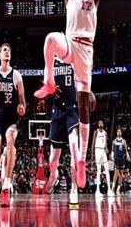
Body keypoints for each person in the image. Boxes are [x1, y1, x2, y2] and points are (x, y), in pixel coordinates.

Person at [34, 0, 118, 189]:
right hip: (69, 43)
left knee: (82, 105)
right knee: (50, 38)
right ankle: (49, 82)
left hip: (85, 50)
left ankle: (81, 161)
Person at [44, 60, 96, 206]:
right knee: (52, 160)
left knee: (74, 147)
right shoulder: (51, 61)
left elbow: (82, 79)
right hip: (57, 111)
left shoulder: (73, 59)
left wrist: (89, 91)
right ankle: (53, 174)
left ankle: (74, 189)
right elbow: (46, 86)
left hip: (72, 109)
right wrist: (49, 89)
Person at [0, 43, 26, 207]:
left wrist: (22, 108)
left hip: (11, 120)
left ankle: (6, 187)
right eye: (4, 50)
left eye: (9, 50)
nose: (7, 51)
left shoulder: (16, 75)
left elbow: (23, 101)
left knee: (10, 145)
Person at [91, 120, 114, 197]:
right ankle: (97, 191)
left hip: (103, 151)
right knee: (99, 171)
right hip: (97, 150)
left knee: (107, 169)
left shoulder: (105, 132)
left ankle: (109, 190)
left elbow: (105, 142)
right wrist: (92, 156)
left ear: (103, 124)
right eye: (99, 123)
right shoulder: (96, 132)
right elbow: (93, 143)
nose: (101, 123)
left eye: (102, 122)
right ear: (98, 124)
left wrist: (106, 149)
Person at [111, 127, 130, 195]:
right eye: (118, 131)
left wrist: (128, 155)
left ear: (121, 133)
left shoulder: (124, 141)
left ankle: (118, 189)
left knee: (121, 174)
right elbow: (112, 150)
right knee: (116, 174)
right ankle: (113, 188)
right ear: (116, 133)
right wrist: (112, 156)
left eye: (120, 131)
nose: (119, 132)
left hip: (122, 158)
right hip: (116, 158)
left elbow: (126, 150)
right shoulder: (114, 141)